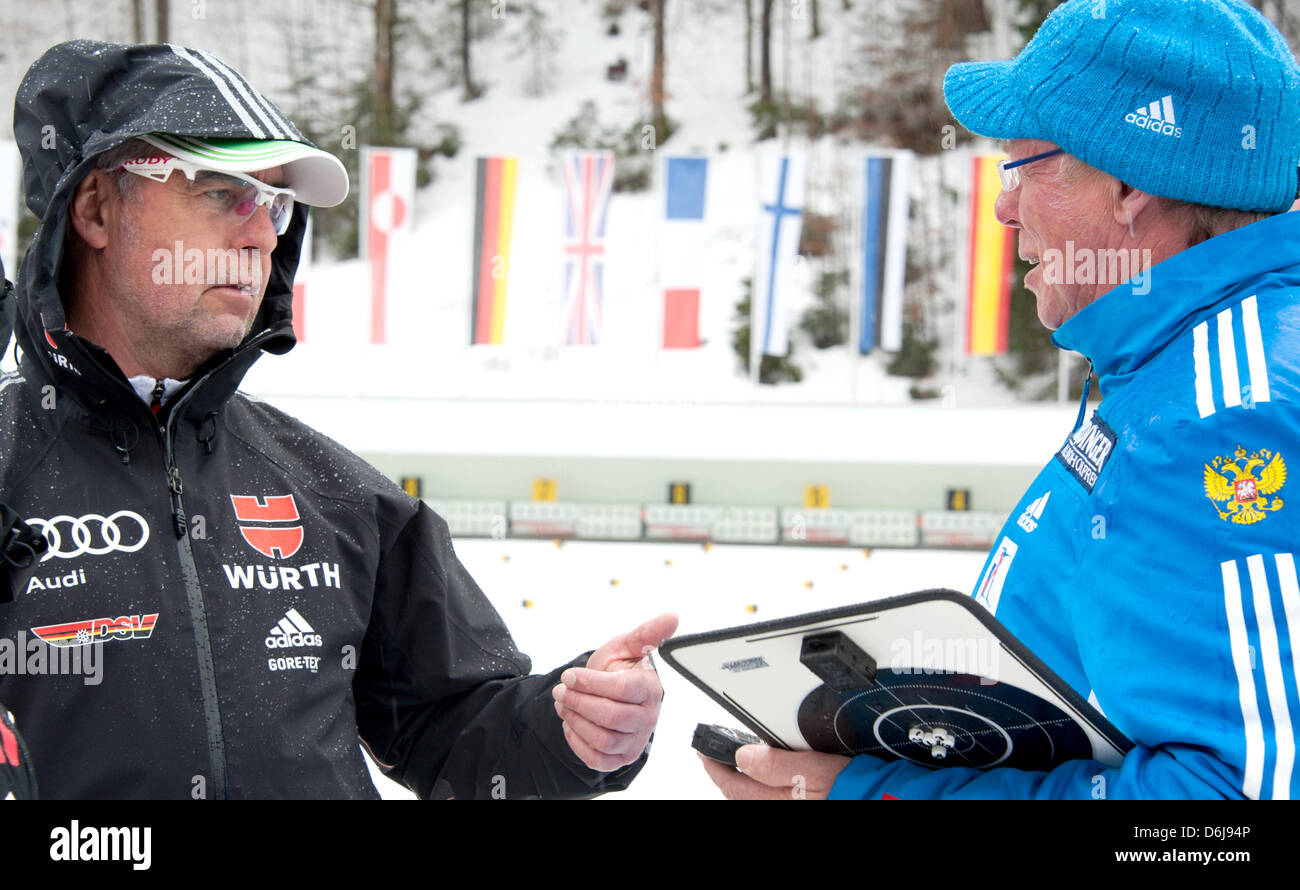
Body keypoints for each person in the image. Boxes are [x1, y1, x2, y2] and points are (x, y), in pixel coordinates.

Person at [0, 39, 676, 799]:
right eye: (224, 192)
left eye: (277, 203)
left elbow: (447, 726)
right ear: (94, 207)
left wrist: (568, 729)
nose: (261, 234)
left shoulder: (333, 491)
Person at [703, 0, 1300, 800]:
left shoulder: (1219, 418)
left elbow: (1230, 814)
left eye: (1030, 163)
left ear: (1129, 187)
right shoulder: (1170, 365)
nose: (1002, 205)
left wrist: (876, 794)